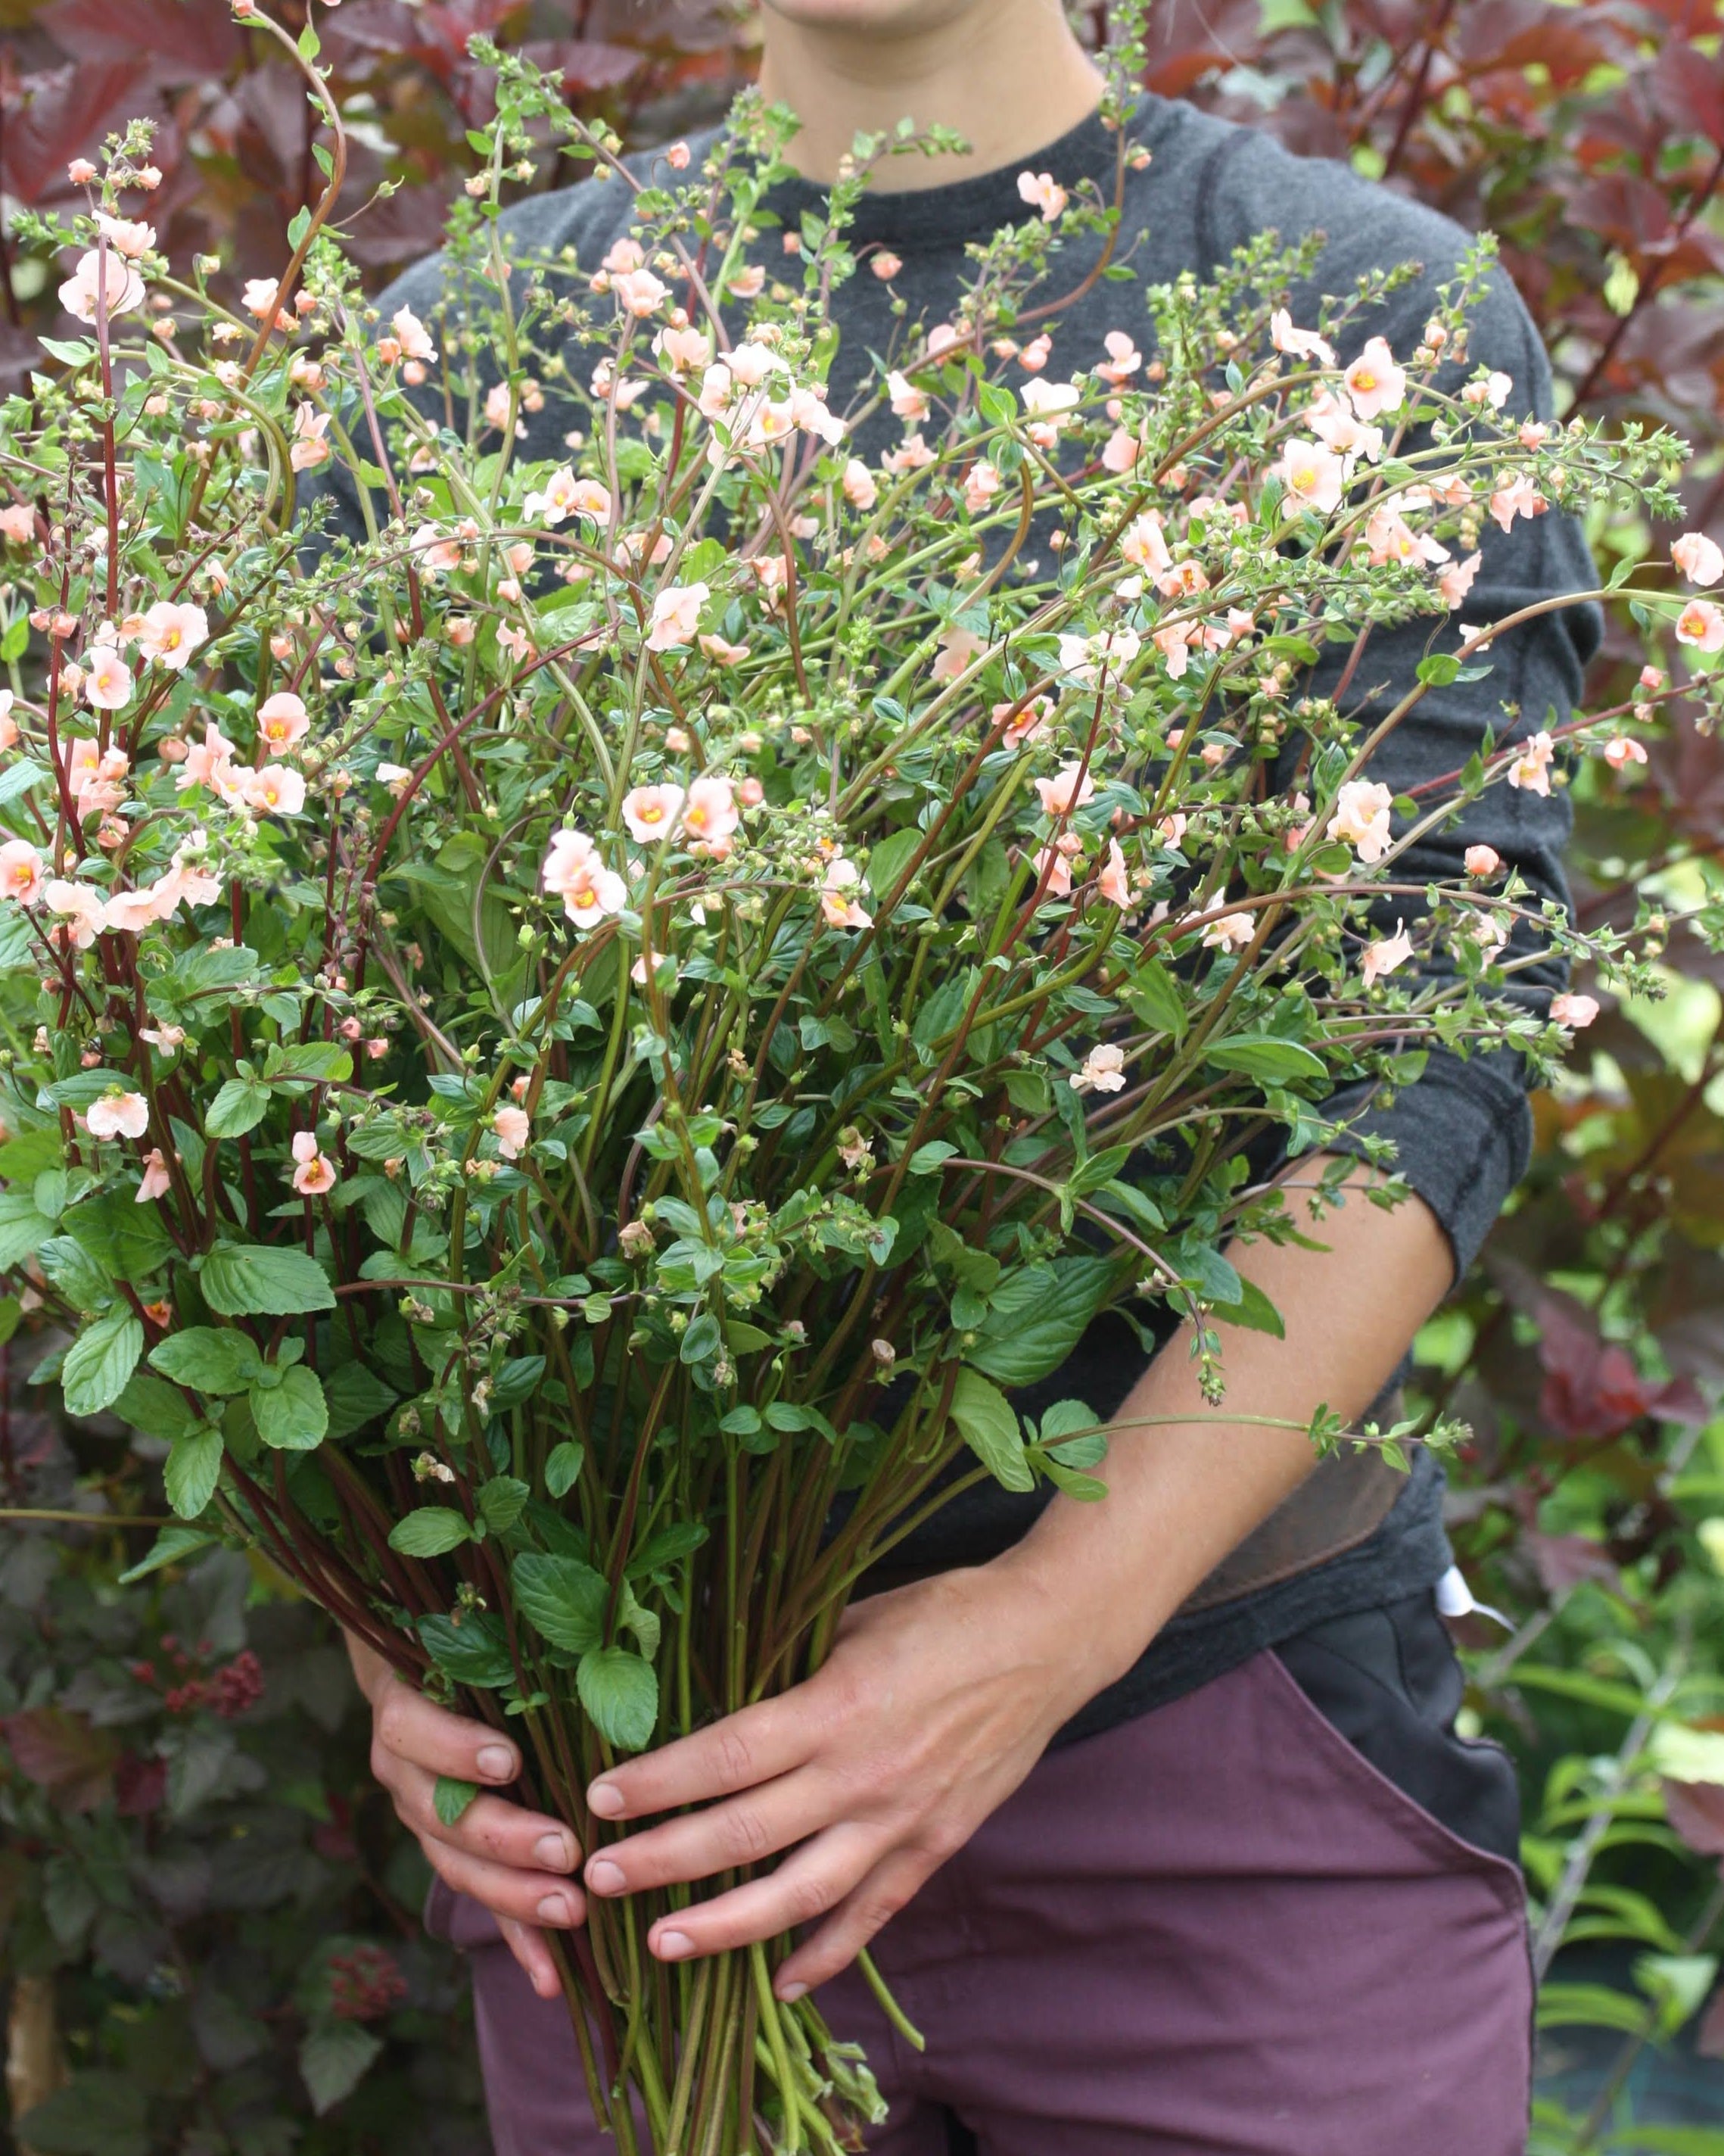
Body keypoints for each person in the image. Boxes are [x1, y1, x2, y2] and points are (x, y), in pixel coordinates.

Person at [342, 2, 1599, 2148]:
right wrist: (408, 1636)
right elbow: (334, 1060)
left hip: (1222, 1754)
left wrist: (1041, 1631)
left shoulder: (1364, 314)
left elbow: (1432, 1061)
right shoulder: (467, 354)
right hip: (654, 1807)